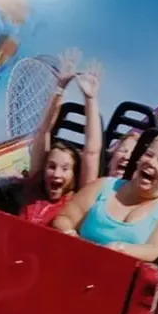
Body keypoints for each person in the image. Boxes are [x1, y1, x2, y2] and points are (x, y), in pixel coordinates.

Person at [53, 134, 158, 261]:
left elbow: (153, 250)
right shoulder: (103, 186)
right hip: (73, 261)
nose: (150, 162)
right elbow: (64, 218)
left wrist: (119, 249)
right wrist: (69, 234)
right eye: (149, 155)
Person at [20, 49, 103, 225]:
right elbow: (43, 132)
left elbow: (92, 152)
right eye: (51, 166)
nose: (57, 173)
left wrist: (90, 99)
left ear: (74, 175)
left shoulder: (78, 198)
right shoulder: (35, 185)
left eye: (65, 169)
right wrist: (60, 87)